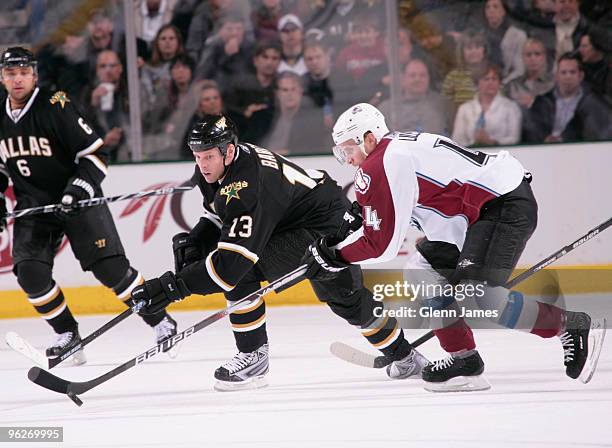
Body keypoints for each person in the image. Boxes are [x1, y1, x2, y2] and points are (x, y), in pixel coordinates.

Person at [302, 102, 605, 392]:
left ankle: (570, 325)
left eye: (349, 150)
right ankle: (464, 360)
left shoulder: (384, 160)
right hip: (478, 214)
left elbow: (382, 246)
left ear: (369, 138)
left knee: (483, 298)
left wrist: (335, 256)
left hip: (500, 206)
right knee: (422, 272)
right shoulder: (392, 153)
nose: (349, 159)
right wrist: (342, 240)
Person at [129, 114, 428, 391]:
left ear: (229, 151)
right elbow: (220, 213)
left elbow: (230, 267)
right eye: (197, 156)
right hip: (293, 219)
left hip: (321, 225)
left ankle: (402, 356)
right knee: (342, 298)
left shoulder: (247, 184)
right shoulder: (220, 165)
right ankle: (403, 356)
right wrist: (197, 238)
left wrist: (171, 288)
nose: (202, 164)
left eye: (208, 156)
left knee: (337, 296)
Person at [0, 47, 178, 364]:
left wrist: (77, 190)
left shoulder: (56, 106)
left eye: (24, 72)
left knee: (112, 271)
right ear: (2, 77)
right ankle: (68, 335)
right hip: (35, 207)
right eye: (11, 73)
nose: (18, 79)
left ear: (35, 75)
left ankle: (160, 319)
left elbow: (96, 155)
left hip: (78, 201)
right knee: (29, 273)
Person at [522, 52, 612, 143]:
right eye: (563, 73)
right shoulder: (541, 102)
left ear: (581, 76)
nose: (568, 77)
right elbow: (532, 130)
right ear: (556, 76)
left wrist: (563, 139)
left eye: (572, 72)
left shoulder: (594, 104)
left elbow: (597, 133)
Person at [452, 63, 522, 147]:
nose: (490, 82)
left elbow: (514, 138)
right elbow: (457, 140)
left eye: (494, 79)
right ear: (477, 83)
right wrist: (474, 143)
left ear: (499, 82)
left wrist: (493, 142)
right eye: (486, 79)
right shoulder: (464, 109)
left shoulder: (511, 107)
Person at [379, 58, 453, 135]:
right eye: (412, 75)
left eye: (422, 75)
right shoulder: (386, 108)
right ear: (403, 79)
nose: (418, 79)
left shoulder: (442, 104)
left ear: (428, 78)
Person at [505, 38, 554, 109]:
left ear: (544, 57)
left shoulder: (553, 84)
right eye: (528, 55)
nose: (532, 58)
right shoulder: (512, 86)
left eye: (537, 54)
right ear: (523, 58)